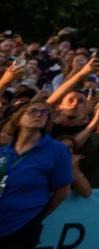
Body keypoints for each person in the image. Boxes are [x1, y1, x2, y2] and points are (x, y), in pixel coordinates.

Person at [0, 101, 72, 249]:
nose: (39, 114)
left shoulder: (56, 151)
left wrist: (36, 216)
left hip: (21, 226)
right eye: (32, 111)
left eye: (44, 112)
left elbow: (62, 192)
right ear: (18, 118)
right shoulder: (4, 150)